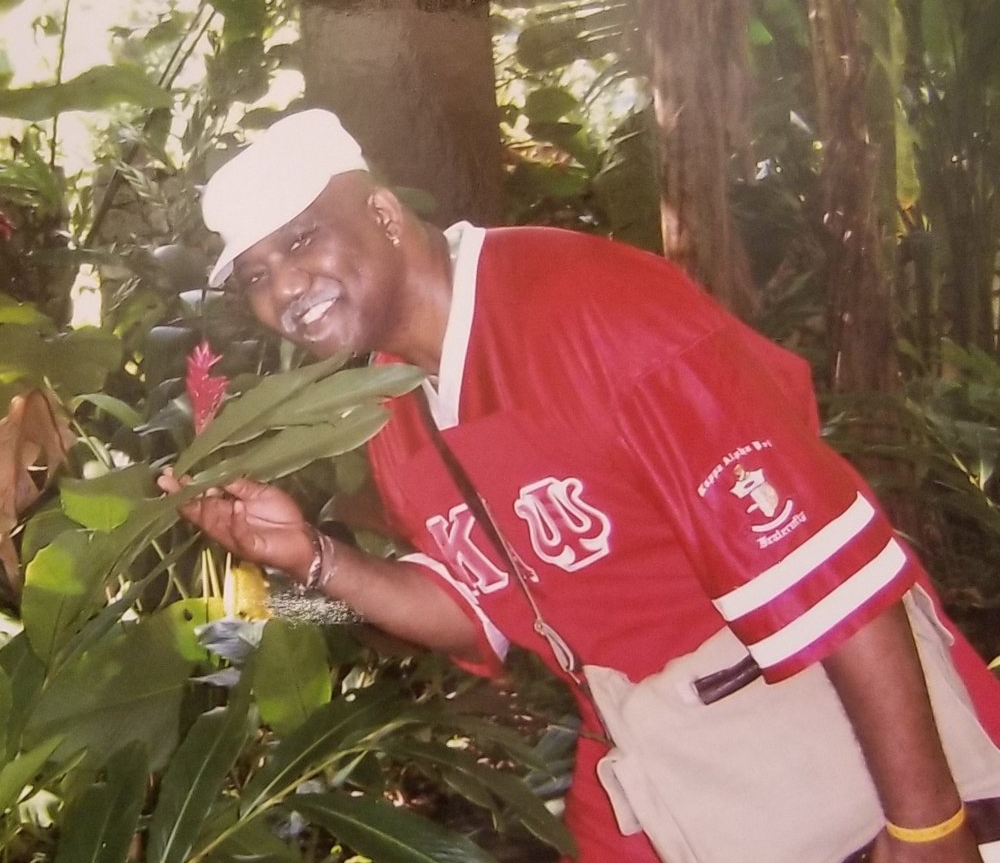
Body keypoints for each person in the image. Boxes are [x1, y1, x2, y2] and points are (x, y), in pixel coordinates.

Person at [160, 109, 1000, 863]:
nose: (283, 290)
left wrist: (927, 820)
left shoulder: (585, 305)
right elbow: (490, 608)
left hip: (823, 739)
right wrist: (310, 556)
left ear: (382, 211)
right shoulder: (391, 399)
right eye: (256, 275)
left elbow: (827, 566)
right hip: (649, 749)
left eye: (301, 241)